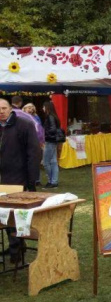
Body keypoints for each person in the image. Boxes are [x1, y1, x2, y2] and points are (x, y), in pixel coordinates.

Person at [0, 98, 41, 264]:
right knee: (5, 214)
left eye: (4, 108)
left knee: (19, 214)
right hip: (3, 178)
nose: (1, 111)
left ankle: (18, 248)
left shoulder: (24, 124)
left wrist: (31, 181)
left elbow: (34, 153)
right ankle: (13, 245)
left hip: (18, 178)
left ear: (11, 109)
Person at [41, 101, 62, 188]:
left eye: (43, 107)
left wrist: (45, 135)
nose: (42, 108)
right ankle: (54, 181)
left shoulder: (50, 117)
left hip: (50, 141)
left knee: (46, 162)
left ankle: (51, 181)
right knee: (53, 162)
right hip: (54, 141)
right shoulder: (54, 116)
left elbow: (52, 129)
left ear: (47, 108)